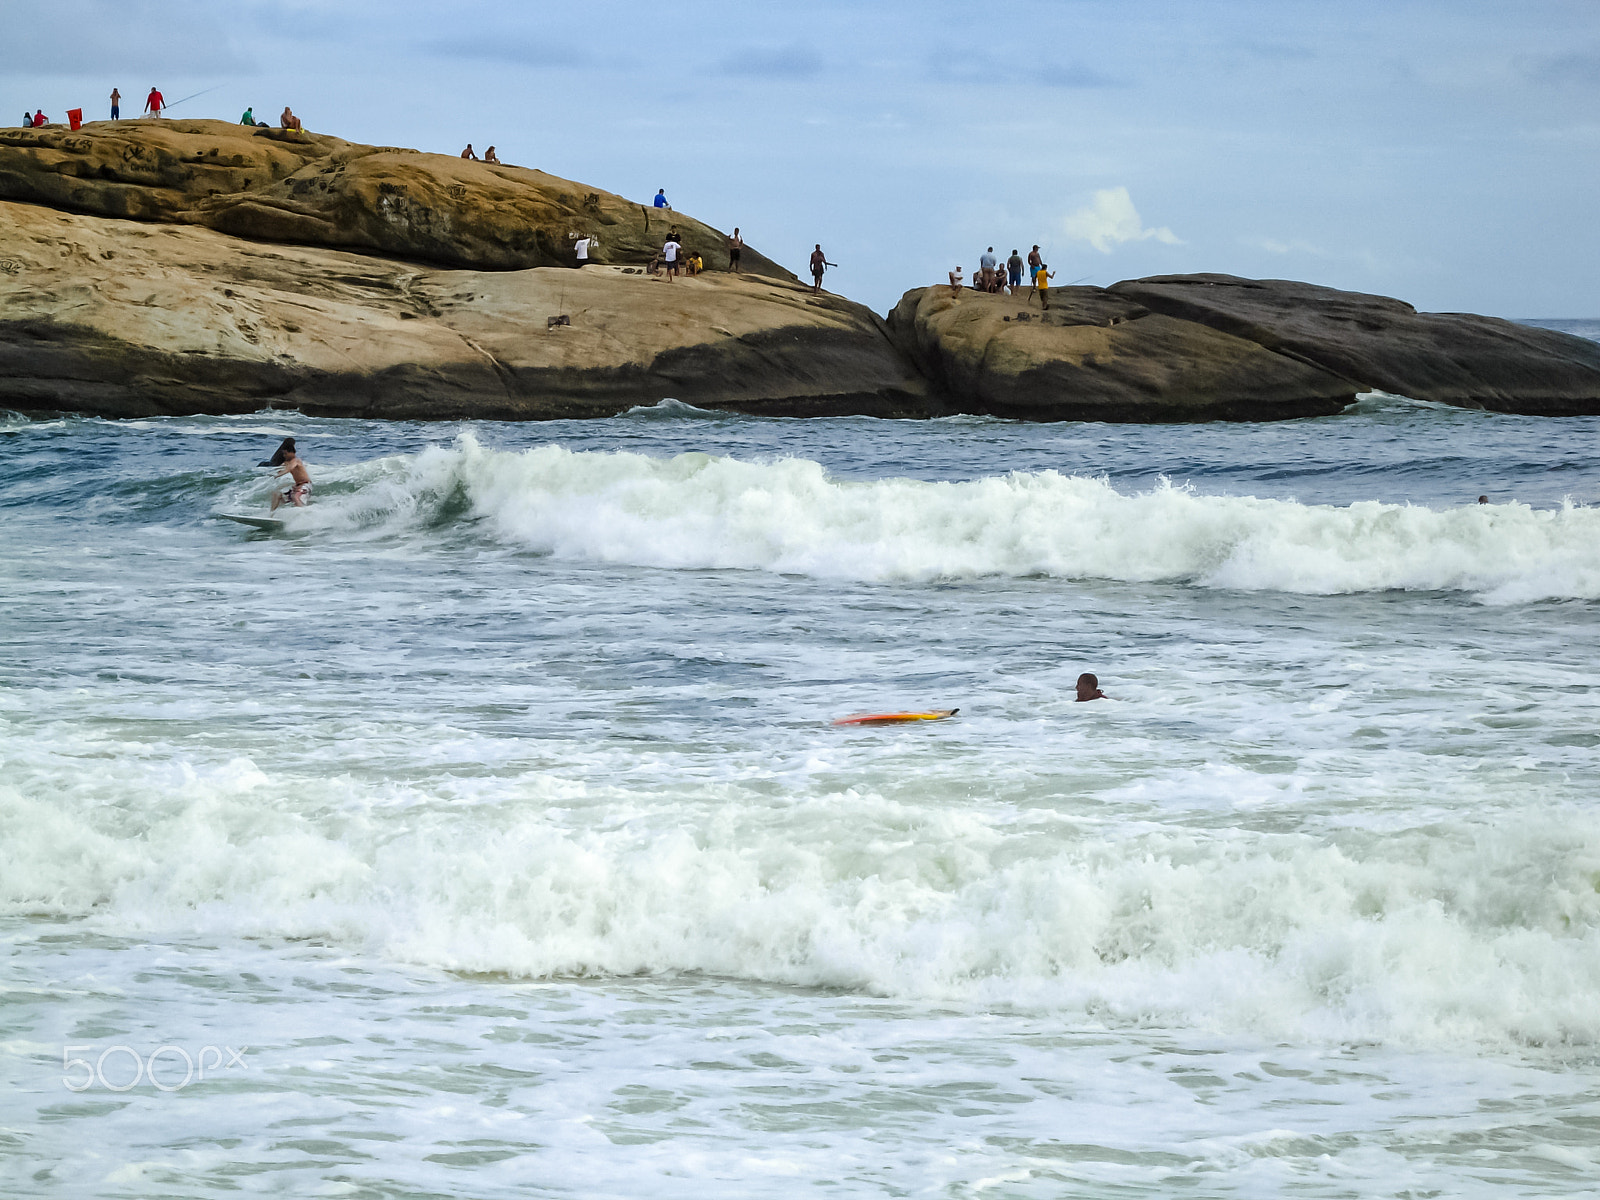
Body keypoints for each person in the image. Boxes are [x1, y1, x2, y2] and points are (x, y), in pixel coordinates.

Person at [269, 442, 312, 512]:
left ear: (292, 453)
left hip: (305, 485)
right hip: (298, 485)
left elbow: (290, 468)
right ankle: (272, 514)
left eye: (286, 453)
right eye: (283, 454)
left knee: (295, 497)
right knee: (276, 494)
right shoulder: (288, 463)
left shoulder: (296, 461)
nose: (284, 455)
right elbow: (284, 468)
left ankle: (303, 514)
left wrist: (278, 475)